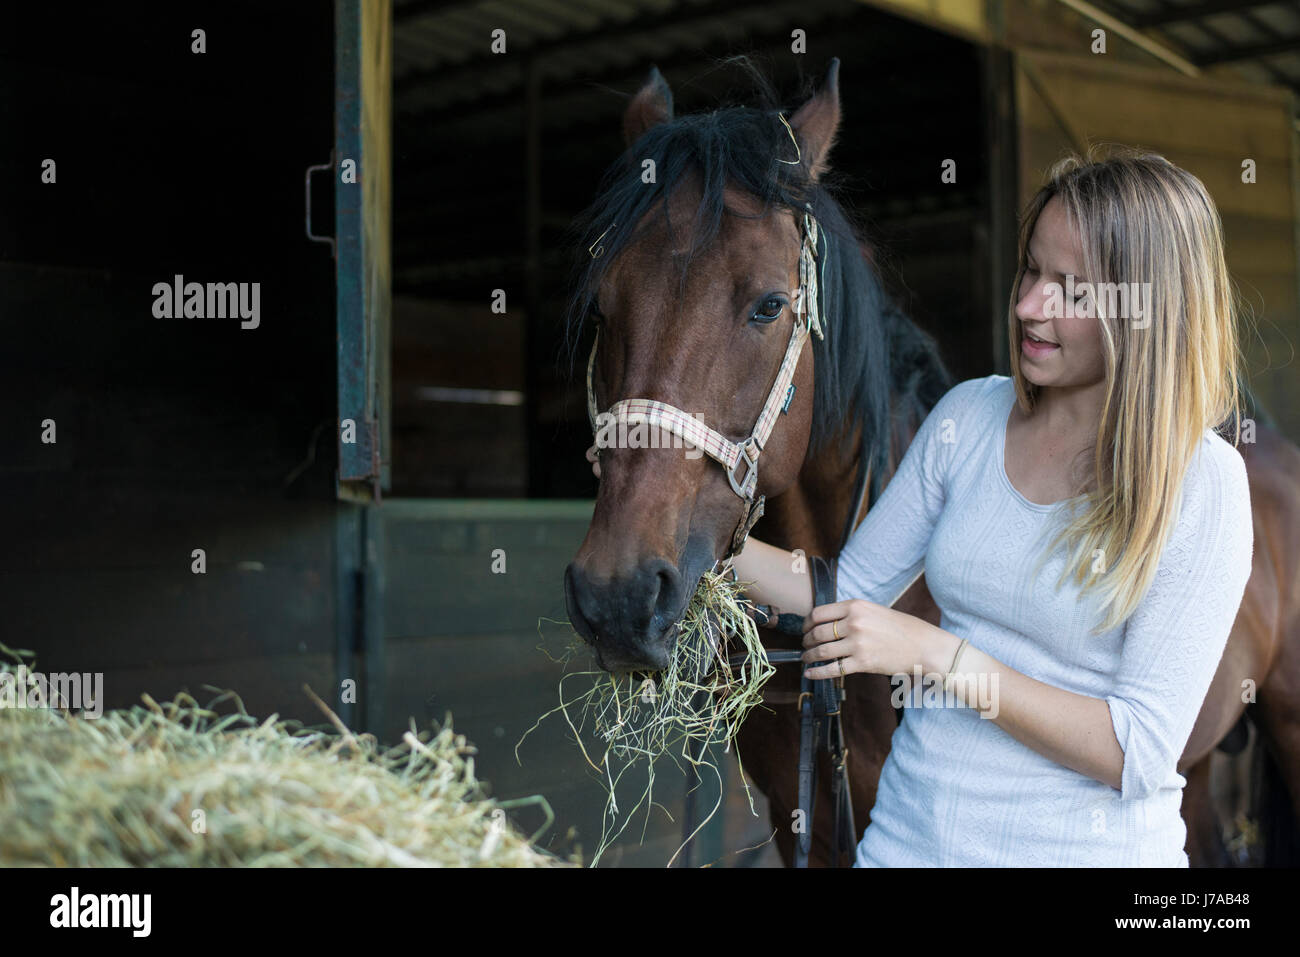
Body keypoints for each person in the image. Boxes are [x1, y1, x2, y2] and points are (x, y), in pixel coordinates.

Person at [591, 148, 1255, 866]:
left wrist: (938, 655)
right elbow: (845, 591)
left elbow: (1136, 751)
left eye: (1072, 290)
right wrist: (683, 532)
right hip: (905, 848)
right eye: (1031, 269)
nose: (1030, 304)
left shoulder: (1202, 483)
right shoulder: (969, 416)